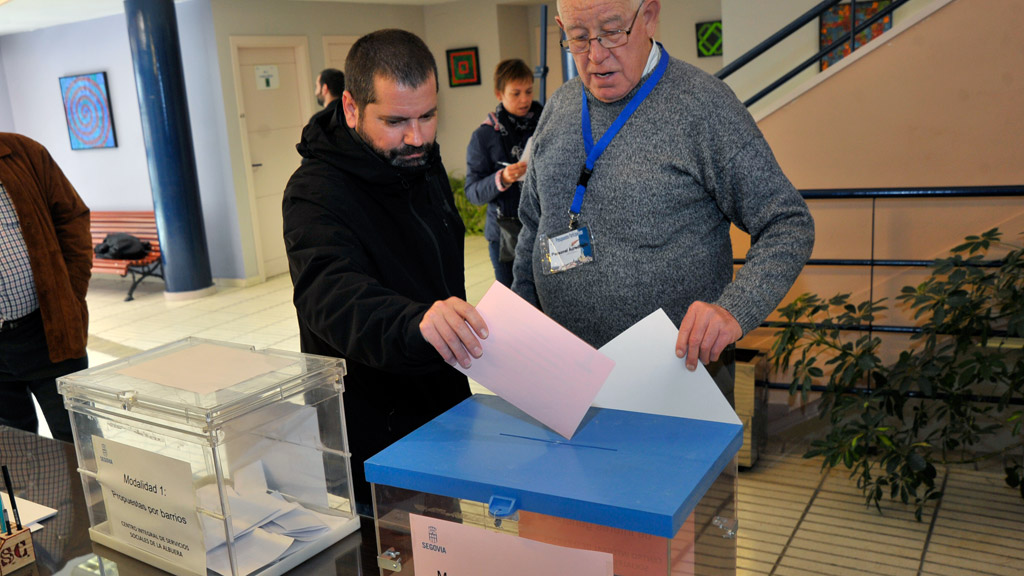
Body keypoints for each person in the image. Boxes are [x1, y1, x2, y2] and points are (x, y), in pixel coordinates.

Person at [511, 0, 815, 404]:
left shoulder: (704, 106)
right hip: (566, 378)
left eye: (612, 32)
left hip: (679, 380)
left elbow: (787, 222)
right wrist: (520, 319)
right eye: (579, 37)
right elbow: (534, 224)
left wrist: (734, 310)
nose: (595, 55)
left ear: (649, 16)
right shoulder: (559, 106)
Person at [283, 29, 487, 516]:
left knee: (443, 540)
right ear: (351, 108)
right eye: (395, 121)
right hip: (370, 422)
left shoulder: (420, 161)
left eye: (428, 116)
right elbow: (330, 294)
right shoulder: (315, 191)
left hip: (439, 403)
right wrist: (416, 323)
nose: (416, 137)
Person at [0, 132, 91, 443]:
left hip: (49, 331)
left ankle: (93, 494)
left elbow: (73, 217)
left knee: (81, 442)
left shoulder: (22, 153)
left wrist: (71, 294)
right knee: (12, 453)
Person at [465, 59, 542, 287]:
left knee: (547, 303)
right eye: (515, 93)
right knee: (513, 302)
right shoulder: (484, 136)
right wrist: (503, 178)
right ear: (499, 94)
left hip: (541, 226)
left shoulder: (545, 122)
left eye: (528, 91)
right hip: (504, 235)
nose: (525, 99)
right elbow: (472, 192)